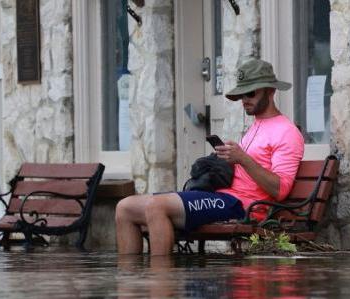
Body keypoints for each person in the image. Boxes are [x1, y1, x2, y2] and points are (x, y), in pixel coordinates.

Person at [114, 58, 305, 256]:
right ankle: (131, 283)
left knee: (157, 206)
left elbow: (280, 189)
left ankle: (162, 282)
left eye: (251, 93)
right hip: (221, 196)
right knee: (125, 208)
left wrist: (243, 159)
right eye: (241, 95)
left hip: (243, 206)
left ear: (270, 91)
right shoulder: (255, 126)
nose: (245, 100)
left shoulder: (287, 132)